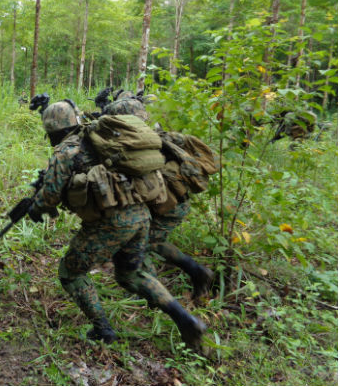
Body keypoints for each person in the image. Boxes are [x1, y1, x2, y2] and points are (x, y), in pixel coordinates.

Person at [28, 98, 207, 348]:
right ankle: (186, 320)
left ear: (51, 131)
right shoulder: (101, 138)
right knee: (130, 274)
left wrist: (35, 207)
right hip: (142, 216)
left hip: (113, 223)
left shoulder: (66, 152)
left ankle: (103, 331)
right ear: (76, 119)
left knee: (70, 273)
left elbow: (49, 197)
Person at [104, 98, 215, 301]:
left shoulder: (139, 143)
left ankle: (153, 293)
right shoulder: (156, 134)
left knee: (139, 242)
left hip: (169, 204)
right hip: (174, 201)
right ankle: (193, 274)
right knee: (151, 241)